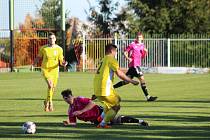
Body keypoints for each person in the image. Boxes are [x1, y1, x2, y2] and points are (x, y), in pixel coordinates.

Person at [93, 44, 139, 128]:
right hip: (104, 89)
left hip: (98, 88)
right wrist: (131, 81)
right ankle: (103, 124)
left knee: (117, 99)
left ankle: (100, 118)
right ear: (111, 51)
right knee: (116, 107)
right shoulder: (111, 59)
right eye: (115, 51)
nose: (116, 53)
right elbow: (119, 73)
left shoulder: (103, 59)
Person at [61, 89, 148, 127]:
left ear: (71, 96)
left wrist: (81, 111)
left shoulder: (80, 99)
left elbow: (92, 103)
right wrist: (68, 123)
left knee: (117, 119)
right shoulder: (70, 110)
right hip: (95, 121)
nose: (67, 100)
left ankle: (140, 121)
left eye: (68, 97)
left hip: (100, 112)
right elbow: (74, 123)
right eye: (65, 99)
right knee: (114, 123)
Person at [113, 32, 158, 102]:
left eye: (139, 37)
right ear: (136, 38)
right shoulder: (132, 44)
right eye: (137, 37)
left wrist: (145, 52)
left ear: (142, 38)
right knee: (142, 79)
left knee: (126, 81)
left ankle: (111, 88)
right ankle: (148, 97)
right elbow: (125, 52)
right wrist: (128, 58)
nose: (138, 38)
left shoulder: (142, 45)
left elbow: (142, 57)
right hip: (134, 65)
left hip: (135, 66)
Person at [33, 32, 67, 112]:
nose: (51, 40)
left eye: (53, 38)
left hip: (55, 70)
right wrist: (34, 64)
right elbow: (38, 57)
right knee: (50, 85)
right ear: (48, 39)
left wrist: (64, 63)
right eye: (50, 38)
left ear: (55, 39)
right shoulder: (43, 48)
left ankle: (46, 101)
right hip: (45, 69)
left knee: (52, 88)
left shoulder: (59, 49)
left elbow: (61, 60)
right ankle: (50, 103)